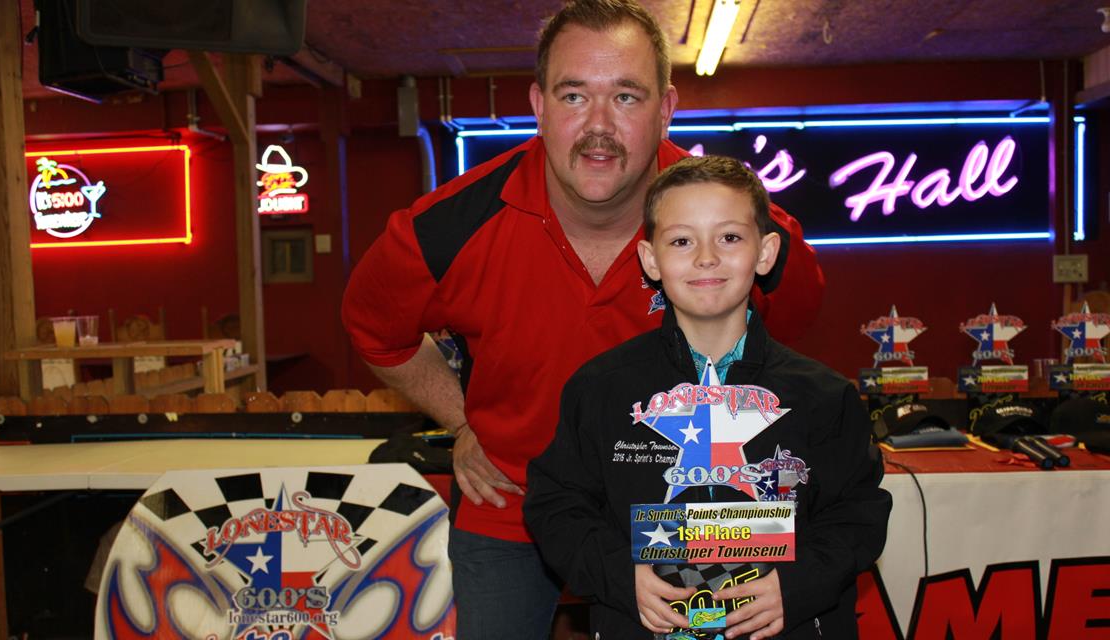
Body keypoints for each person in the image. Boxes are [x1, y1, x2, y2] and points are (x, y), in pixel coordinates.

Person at [341, 1, 825, 636]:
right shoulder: (446, 229)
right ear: (539, 105)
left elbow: (789, 332)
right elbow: (374, 329)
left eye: (626, 96)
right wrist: (463, 418)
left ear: (666, 108)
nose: (599, 127)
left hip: (680, 515)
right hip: (509, 507)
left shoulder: (741, 228)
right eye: (575, 96)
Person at [524, 155, 891, 639]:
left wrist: (797, 585)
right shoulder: (601, 389)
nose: (706, 257)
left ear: (765, 253)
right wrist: (619, 575)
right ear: (650, 260)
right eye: (681, 240)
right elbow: (556, 507)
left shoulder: (824, 396)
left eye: (730, 237)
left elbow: (858, 514)